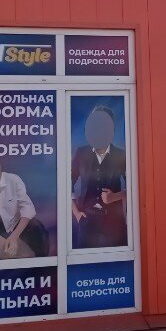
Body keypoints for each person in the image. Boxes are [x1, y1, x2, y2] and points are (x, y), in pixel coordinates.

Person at [71, 105, 127, 248]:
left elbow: (137, 187)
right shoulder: (81, 153)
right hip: (86, 221)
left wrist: (116, 196)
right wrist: (76, 213)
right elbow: (65, 184)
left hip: (114, 224)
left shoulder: (122, 155)